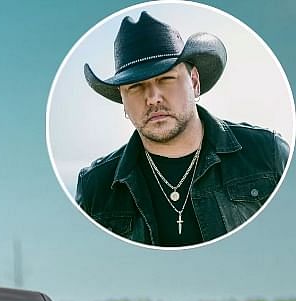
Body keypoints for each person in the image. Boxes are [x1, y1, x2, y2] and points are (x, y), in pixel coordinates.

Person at [76, 10, 290, 247]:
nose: (153, 98)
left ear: (194, 82)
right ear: (123, 101)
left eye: (166, 79)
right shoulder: (96, 187)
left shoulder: (266, 155)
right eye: (135, 87)